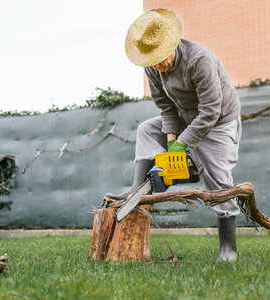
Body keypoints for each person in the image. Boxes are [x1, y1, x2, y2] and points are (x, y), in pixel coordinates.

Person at [105, 8, 242, 261]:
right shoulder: (152, 67)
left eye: (161, 57)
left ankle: (228, 247)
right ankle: (139, 188)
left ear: (173, 43)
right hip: (184, 117)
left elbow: (211, 110)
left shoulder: (199, 59)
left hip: (220, 121)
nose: (159, 64)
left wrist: (182, 142)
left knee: (219, 178)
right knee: (147, 129)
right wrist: (171, 145)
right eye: (152, 60)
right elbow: (166, 107)